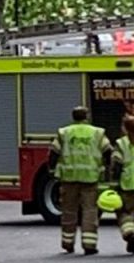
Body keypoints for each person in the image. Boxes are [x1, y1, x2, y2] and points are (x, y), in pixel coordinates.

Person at [48, 106, 113, 255]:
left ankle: (67, 243)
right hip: (90, 178)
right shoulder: (97, 133)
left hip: (69, 178)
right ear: (87, 116)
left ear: (73, 117)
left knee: (69, 211)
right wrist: (107, 168)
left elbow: (53, 153)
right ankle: (89, 245)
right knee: (90, 210)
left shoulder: (64, 132)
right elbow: (108, 151)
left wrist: (52, 170)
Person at [110, 114, 134, 253]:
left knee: (124, 212)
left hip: (127, 184)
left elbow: (116, 165)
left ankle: (129, 233)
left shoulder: (122, 143)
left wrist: (114, 183)